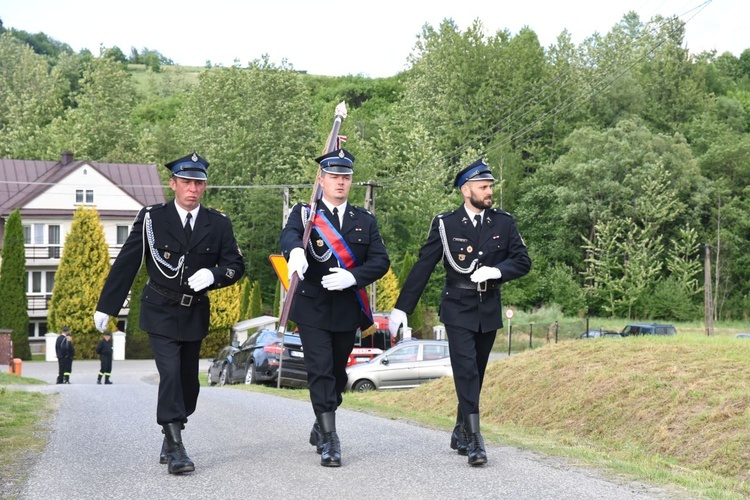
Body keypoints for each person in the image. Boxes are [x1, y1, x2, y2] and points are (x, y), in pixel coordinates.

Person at [93, 152, 245, 475]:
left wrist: (214, 276)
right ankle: (177, 449)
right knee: (171, 374)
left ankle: (172, 429)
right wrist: (108, 305)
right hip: (160, 309)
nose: (193, 188)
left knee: (190, 383)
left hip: (194, 312)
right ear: (173, 183)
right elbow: (128, 262)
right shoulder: (152, 219)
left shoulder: (218, 224)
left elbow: (236, 265)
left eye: (199, 183)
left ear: (204, 186)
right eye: (187, 182)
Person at [388, 158, 531, 466]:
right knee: (465, 370)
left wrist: (495, 271)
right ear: (466, 190)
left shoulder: (503, 222)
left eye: (490, 186)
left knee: (475, 373)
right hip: (457, 308)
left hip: (488, 308)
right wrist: (402, 308)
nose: (489, 191)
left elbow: (522, 261)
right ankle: (475, 439)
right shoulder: (446, 224)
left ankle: (459, 429)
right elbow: (424, 266)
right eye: (483, 187)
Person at [280, 148, 389, 467]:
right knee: (319, 370)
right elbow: (289, 236)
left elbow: (381, 261)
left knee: (338, 375)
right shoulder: (305, 214)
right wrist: (293, 253)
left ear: (351, 181)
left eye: (346, 176)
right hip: (312, 306)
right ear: (321, 179)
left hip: (346, 307)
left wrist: (353, 277)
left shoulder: (364, 220)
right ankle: (330, 438)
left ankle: (320, 419)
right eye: (334, 176)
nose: (340, 182)